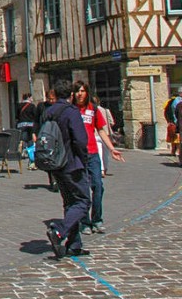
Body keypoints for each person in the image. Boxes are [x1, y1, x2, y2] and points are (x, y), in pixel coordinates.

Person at [43, 79, 92, 259]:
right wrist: (84, 158)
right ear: (71, 95)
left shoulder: (49, 112)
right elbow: (80, 139)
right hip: (72, 163)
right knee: (83, 201)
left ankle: (74, 244)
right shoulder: (71, 112)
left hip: (56, 164)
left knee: (70, 203)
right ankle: (59, 232)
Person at [71, 82, 123, 235]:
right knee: (83, 190)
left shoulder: (92, 110)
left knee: (98, 186)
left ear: (87, 93)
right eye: (77, 91)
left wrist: (112, 148)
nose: (80, 94)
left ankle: (97, 220)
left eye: (82, 91)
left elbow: (100, 130)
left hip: (93, 153)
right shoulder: (71, 110)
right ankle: (84, 221)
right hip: (77, 155)